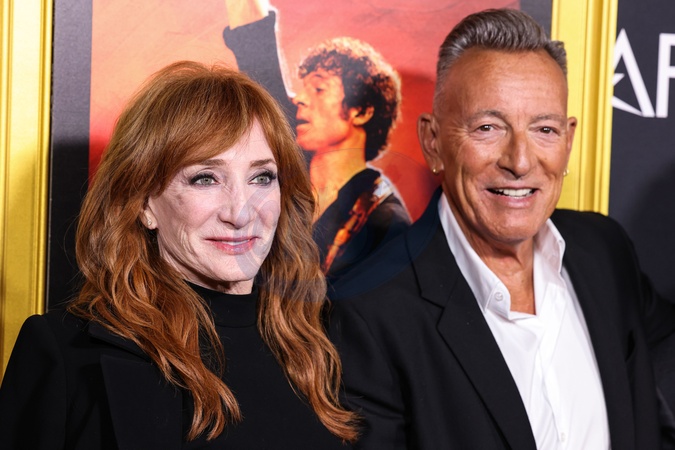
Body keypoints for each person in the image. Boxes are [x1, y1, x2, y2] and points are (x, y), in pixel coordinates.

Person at [328, 8, 675, 450]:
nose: (520, 161)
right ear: (433, 142)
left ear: (568, 141)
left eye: (544, 129)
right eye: (488, 127)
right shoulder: (367, 314)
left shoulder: (604, 250)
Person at [0, 61, 358, 449]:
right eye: (205, 178)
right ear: (144, 203)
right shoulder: (66, 355)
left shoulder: (331, 345)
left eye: (261, 177)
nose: (240, 213)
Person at [223, 0, 411, 280]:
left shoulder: (386, 222)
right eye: (304, 87)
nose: (300, 98)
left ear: (362, 111)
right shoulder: (289, 153)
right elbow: (253, 36)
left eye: (319, 88)